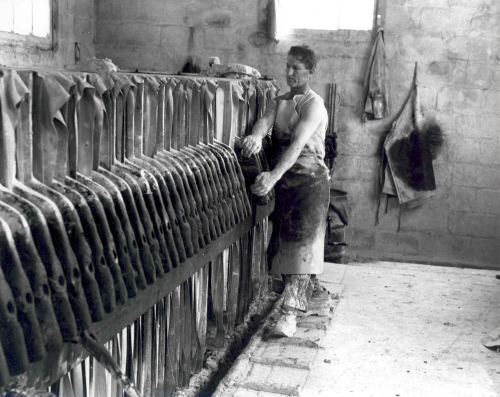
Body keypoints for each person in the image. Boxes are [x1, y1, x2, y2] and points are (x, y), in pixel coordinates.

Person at [241, 45, 330, 337]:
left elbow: (297, 145)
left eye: (296, 68)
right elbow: (265, 122)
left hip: (310, 182)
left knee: (303, 247)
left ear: (310, 72)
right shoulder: (280, 100)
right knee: (285, 248)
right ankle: (314, 297)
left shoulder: (313, 104)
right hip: (285, 182)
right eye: (288, 66)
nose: (289, 72)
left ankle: (289, 317)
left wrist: (272, 177)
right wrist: (255, 136)